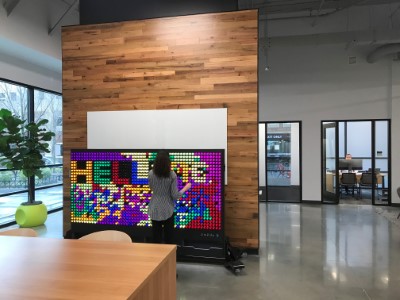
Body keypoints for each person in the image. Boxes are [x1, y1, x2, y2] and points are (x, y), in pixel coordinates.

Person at [148, 150, 191, 244]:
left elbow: (151, 187)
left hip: (154, 208)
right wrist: (186, 188)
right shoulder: (172, 175)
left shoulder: (151, 173)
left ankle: (157, 258)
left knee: (156, 239)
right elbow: (175, 195)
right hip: (168, 209)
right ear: (168, 161)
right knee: (169, 240)